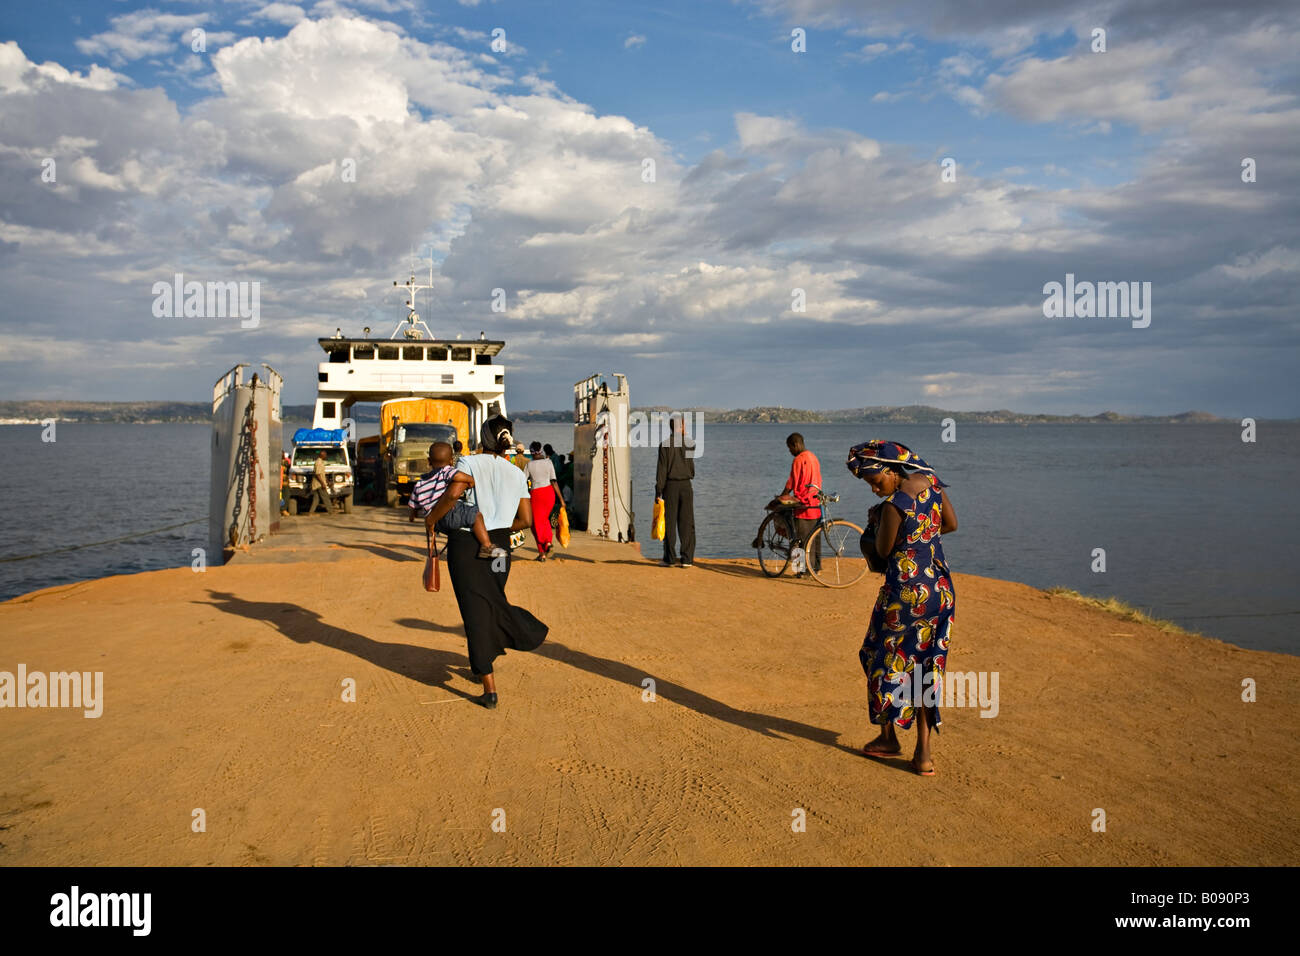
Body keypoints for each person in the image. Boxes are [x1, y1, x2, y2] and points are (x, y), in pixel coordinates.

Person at [846, 440, 958, 777]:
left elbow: (882, 551)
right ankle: (923, 755)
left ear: (892, 471)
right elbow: (950, 524)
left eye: (875, 481)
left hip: (904, 595)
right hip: (940, 590)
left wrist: (880, 520)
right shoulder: (933, 485)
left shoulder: (895, 504)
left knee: (878, 657)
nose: (874, 488)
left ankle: (888, 738)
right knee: (927, 667)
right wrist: (923, 535)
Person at [424, 415, 548, 709]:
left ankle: (490, 684)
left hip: (468, 545)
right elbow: (527, 520)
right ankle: (487, 657)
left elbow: (454, 492)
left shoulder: (467, 463)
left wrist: (432, 519)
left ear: (484, 437)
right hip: (500, 549)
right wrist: (501, 526)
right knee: (491, 600)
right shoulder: (517, 473)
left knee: (476, 611)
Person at [408, 442, 500, 559]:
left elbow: (413, 506)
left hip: (436, 522)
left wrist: (412, 516)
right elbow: (457, 476)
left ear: (429, 461)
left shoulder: (420, 482)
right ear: (451, 461)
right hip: (448, 513)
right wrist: (471, 480)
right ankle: (486, 546)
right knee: (476, 515)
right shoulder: (445, 471)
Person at [774, 433, 822, 576]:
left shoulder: (798, 459)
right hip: (815, 502)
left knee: (799, 538)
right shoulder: (813, 457)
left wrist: (782, 496)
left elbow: (791, 482)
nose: (790, 451)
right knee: (814, 539)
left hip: (803, 504)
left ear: (795, 445)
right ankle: (816, 568)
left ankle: (801, 570)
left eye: (790, 448)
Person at [655, 413, 696, 567]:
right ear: (682, 426)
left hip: (670, 486)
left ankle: (669, 558)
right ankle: (687, 559)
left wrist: (658, 490)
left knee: (669, 523)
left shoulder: (664, 445)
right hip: (686, 485)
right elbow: (691, 467)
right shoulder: (690, 444)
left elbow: (662, 470)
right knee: (687, 523)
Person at [524, 442, 563, 560]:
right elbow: (554, 481)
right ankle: (543, 552)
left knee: (536, 523)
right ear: (541, 451)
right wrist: (561, 499)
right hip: (549, 493)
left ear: (531, 452)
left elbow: (522, 481)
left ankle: (546, 544)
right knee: (543, 520)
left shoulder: (529, 465)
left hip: (537, 494)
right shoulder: (549, 462)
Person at [310, 451, 332, 515]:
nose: (326, 456)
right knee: (326, 497)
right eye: (325, 455)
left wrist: (327, 482)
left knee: (316, 499)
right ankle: (330, 511)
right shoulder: (319, 462)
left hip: (317, 484)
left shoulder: (320, 462)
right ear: (322, 455)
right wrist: (322, 483)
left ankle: (311, 512)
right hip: (319, 484)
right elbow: (318, 474)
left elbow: (322, 474)